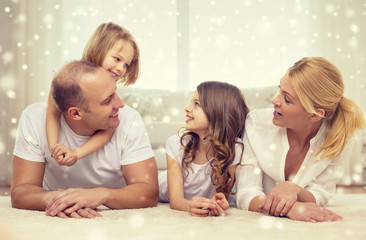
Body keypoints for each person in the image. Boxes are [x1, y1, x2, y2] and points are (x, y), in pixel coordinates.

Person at [11, 60, 158, 218]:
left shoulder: (129, 119)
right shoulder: (34, 118)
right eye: (108, 100)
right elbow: (21, 191)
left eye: (115, 92)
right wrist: (58, 200)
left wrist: (101, 195)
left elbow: (149, 193)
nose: (120, 104)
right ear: (75, 114)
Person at [236, 57, 365, 223]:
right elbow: (246, 193)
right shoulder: (256, 125)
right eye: (279, 89)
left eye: (287, 99)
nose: (275, 101)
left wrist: (295, 190)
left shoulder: (340, 138)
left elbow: (321, 191)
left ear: (315, 114)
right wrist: (292, 208)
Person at [46, 22, 140, 166]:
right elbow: (53, 112)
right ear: (99, 49)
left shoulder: (110, 86)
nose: (121, 68)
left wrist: (76, 153)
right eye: (117, 59)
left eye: (126, 64)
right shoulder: (66, 75)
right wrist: (54, 147)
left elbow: (108, 130)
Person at [159, 81, 249, 217]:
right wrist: (189, 206)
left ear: (217, 112)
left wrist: (216, 204)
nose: (187, 108)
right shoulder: (175, 143)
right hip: (161, 187)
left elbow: (219, 196)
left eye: (196, 104)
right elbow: (175, 201)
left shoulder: (235, 149)